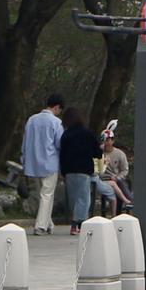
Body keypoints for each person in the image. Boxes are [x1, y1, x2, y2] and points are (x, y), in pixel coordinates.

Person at [21, 92, 64, 235]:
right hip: (50, 162)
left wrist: (24, 159)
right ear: (57, 107)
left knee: (42, 195)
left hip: (33, 163)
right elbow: (59, 143)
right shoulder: (56, 122)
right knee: (47, 194)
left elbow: (25, 141)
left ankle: (48, 223)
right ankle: (40, 225)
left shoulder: (31, 120)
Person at [58, 106, 99, 234]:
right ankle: (79, 223)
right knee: (84, 198)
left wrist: (63, 171)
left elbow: (62, 155)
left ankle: (74, 222)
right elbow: (97, 152)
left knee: (73, 198)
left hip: (69, 171)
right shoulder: (88, 134)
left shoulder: (66, 135)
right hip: (84, 170)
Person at [100, 127, 133, 213]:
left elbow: (125, 170)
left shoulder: (120, 154)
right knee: (116, 184)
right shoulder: (99, 152)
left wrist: (117, 177)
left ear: (113, 141)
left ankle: (129, 200)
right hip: (103, 178)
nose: (107, 142)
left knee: (121, 182)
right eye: (105, 140)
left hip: (115, 177)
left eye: (108, 140)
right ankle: (129, 200)